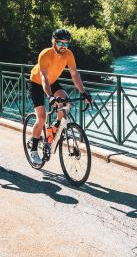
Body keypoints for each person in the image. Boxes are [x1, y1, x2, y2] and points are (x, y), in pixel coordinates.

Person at [27, 28, 92, 165]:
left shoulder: (69, 54)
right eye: (60, 43)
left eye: (66, 44)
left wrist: (83, 93)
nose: (63, 47)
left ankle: (53, 131)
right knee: (42, 117)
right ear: (53, 41)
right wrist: (50, 97)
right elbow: (43, 77)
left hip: (53, 81)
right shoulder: (45, 53)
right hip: (37, 83)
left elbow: (74, 75)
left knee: (66, 102)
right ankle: (33, 150)